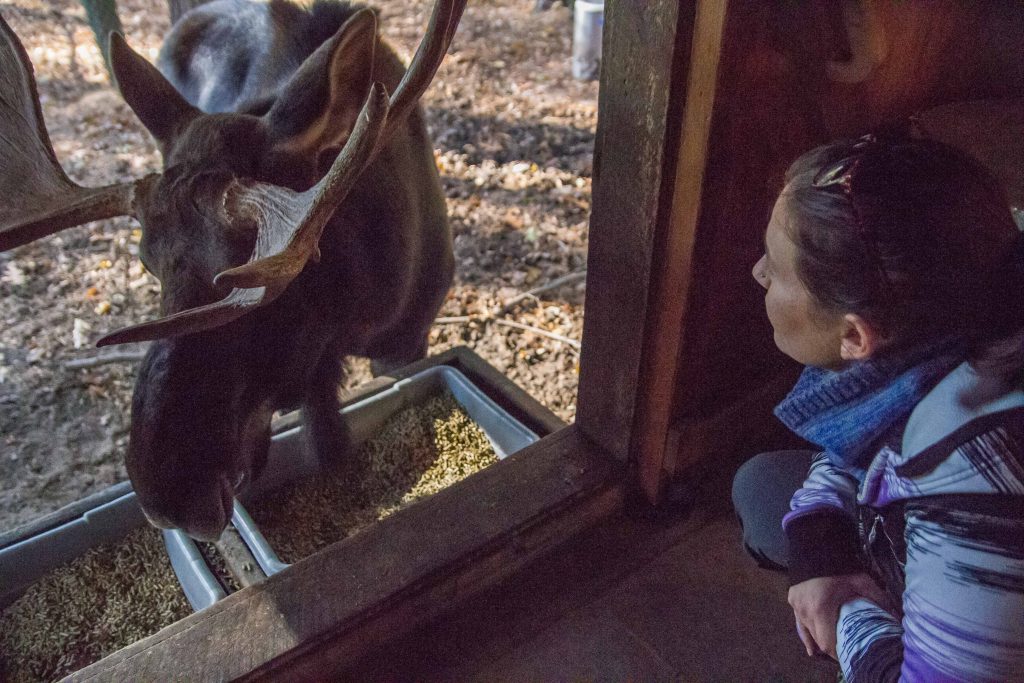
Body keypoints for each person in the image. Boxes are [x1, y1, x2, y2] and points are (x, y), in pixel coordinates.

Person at [732, 133, 1024, 681]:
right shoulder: (981, 292)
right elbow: (850, 446)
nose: (758, 273)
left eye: (775, 263)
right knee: (764, 487)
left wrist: (847, 611)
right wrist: (822, 549)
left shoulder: (977, 474)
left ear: (856, 336)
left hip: (976, 539)